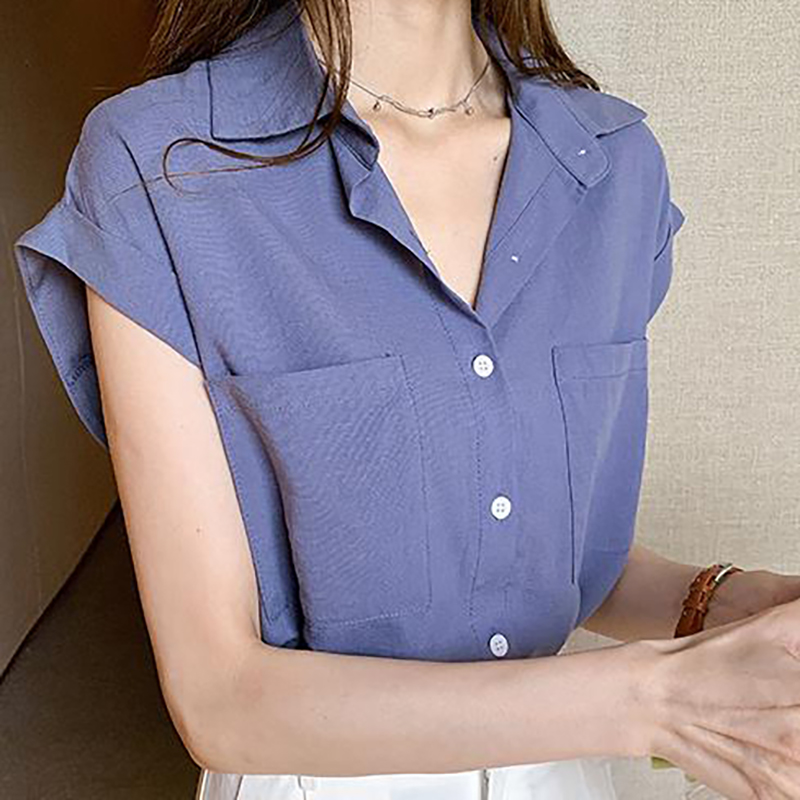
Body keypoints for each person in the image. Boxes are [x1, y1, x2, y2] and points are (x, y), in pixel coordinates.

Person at [13, 1, 800, 798]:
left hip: (571, 775)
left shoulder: (612, 164)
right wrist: (655, 702)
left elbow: (557, 562)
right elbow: (218, 699)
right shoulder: (163, 165)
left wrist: (736, 605)